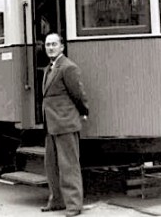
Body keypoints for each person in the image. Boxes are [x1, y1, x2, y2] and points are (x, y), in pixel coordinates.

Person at [41, 33, 89, 217]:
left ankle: (74, 206)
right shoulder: (49, 68)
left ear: (62, 47)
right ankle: (57, 201)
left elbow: (78, 93)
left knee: (69, 166)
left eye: (54, 44)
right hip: (52, 124)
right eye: (47, 45)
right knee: (51, 165)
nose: (50, 47)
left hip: (65, 123)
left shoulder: (68, 67)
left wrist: (84, 112)